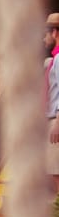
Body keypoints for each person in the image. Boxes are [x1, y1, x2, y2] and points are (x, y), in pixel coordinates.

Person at [45, 12, 59, 192]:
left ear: (55, 32)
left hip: (56, 118)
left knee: (56, 171)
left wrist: (57, 121)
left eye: (47, 32)